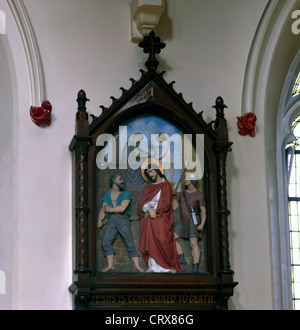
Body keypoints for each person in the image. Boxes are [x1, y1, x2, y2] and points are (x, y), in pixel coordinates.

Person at [138, 159, 184, 273]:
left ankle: (167, 266)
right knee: (150, 237)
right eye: (148, 172)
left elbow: (166, 204)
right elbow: (141, 204)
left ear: (157, 170)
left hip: (162, 217)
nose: (150, 174)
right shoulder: (148, 187)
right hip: (150, 217)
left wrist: (156, 211)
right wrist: (149, 209)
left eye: (151, 171)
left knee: (164, 240)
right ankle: (153, 266)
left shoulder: (166, 185)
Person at [98, 173, 143, 272]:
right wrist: (99, 220)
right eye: (119, 179)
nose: (122, 181)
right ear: (114, 180)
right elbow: (103, 208)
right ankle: (110, 265)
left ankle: (137, 266)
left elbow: (122, 208)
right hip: (112, 220)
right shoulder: (107, 194)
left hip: (123, 219)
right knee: (105, 242)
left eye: (121, 179)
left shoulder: (125, 194)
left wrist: (108, 209)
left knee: (129, 243)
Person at [172, 173, 206, 273]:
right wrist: (173, 194)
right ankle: (181, 256)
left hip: (193, 221)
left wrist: (202, 224)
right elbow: (174, 207)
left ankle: (195, 266)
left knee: (193, 243)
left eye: (187, 179)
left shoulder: (199, 195)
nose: (185, 180)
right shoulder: (181, 194)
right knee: (170, 238)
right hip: (183, 222)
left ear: (192, 180)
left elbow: (203, 211)